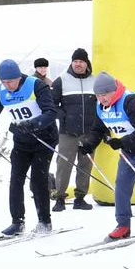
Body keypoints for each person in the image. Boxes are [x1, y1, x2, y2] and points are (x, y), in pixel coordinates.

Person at [0, 59, 58, 236]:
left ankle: (44, 222)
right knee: (16, 180)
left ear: (19, 77)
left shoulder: (36, 86)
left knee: (38, 179)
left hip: (44, 139)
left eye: (11, 81)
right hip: (22, 141)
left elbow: (51, 112)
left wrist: (32, 124)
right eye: (4, 82)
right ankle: (17, 222)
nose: (8, 86)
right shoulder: (0, 91)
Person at [79, 72, 135, 240]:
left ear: (114, 91)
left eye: (104, 94)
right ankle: (123, 225)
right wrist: (89, 143)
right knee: (122, 187)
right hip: (129, 150)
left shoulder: (130, 100)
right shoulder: (100, 106)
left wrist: (121, 142)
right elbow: (98, 130)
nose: (101, 98)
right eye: (98, 95)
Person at [51, 48, 96, 211]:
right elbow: (52, 105)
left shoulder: (94, 80)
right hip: (67, 132)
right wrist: (64, 116)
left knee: (86, 165)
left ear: (86, 63)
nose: (78, 64)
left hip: (89, 132)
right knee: (64, 164)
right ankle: (60, 198)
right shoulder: (61, 80)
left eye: (81, 61)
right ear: (72, 63)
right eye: (75, 61)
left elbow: (101, 105)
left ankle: (80, 198)